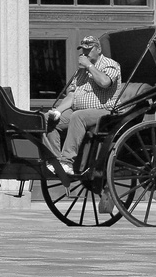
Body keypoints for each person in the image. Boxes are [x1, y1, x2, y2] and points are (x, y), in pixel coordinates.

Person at [42, 35, 121, 173]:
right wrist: (58, 111)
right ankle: (55, 161)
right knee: (47, 119)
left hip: (105, 111)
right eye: (83, 50)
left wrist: (89, 66)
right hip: (78, 110)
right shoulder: (81, 71)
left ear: (98, 49)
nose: (85, 53)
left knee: (78, 116)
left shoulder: (110, 64)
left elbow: (104, 82)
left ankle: (67, 161)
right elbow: (72, 95)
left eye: (89, 50)